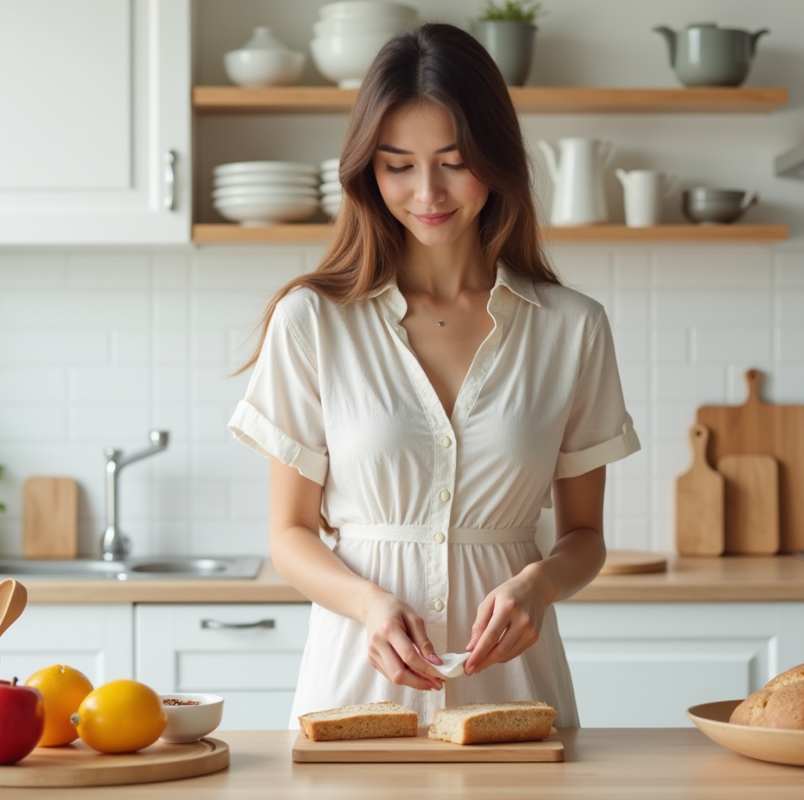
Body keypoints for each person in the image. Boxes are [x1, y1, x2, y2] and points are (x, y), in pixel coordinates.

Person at [228, 23, 639, 728]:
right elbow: (290, 534)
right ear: (367, 169)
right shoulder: (313, 321)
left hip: (513, 689)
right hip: (358, 685)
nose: (427, 192)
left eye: (454, 161)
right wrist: (369, 603)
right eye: (398, 165)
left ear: (497, 159)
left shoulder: (572, 327)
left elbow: (585, 536)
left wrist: (538, 585)